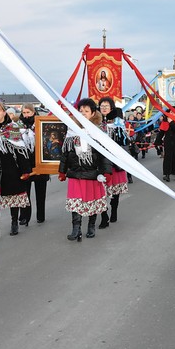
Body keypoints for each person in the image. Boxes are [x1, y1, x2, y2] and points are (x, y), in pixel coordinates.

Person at [58, 98, 112, 241]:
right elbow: (65, 153)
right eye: (80, 111)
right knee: (75, 202)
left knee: (91, 201)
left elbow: (104, 154)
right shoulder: (71, 131)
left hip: (92, 174)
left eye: (86, 111)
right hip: (75, 173)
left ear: (93, 113)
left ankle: (91, 226)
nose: (82, 114)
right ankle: (76, 229)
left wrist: (106, 171)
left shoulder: (97, 132)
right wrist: (62, 171)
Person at [0, 101, 33, 236]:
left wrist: (25, 169)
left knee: (13, 196)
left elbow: (20, 150)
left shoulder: (12, 128)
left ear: (4, 112)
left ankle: (14, 222)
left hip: (11, 167)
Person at [97, 97, 129, 228]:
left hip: (115, 162)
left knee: (114, 192)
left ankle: (114, 210)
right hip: (99, 162)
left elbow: (124, 142)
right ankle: (104, 216)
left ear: (111, 108)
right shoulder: (94, 123)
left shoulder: (118, 123)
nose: (104, 108)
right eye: (101, 106)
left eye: (106, 105)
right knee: (101, 191)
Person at [19, 103, 49, 226]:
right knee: (25, 192)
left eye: (28, 112)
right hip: (25, 162)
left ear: (33, 112)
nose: (26, 115)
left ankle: (40, 215)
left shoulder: (40, 123)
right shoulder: (18, 125)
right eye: (24, 113)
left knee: (40, 191)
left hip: (39, 161)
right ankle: (25, 216)